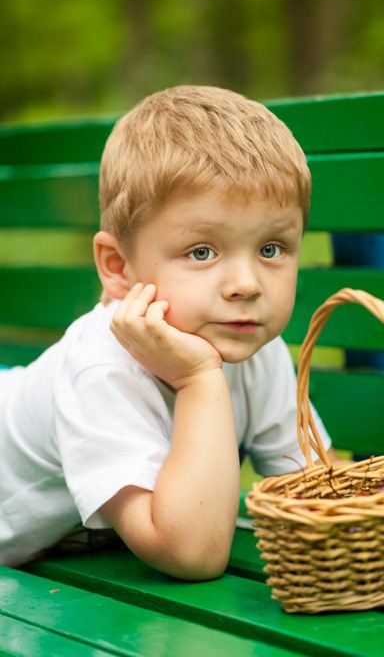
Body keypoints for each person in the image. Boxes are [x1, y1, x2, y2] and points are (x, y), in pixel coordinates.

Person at [0, 85, 337, 578]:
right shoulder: (101, 369)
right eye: (202, 252)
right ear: (118, 267)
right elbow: (192, 554)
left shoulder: (254, 350)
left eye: (271, 249)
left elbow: (319, 493)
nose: (246, 285)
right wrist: (199, 380)